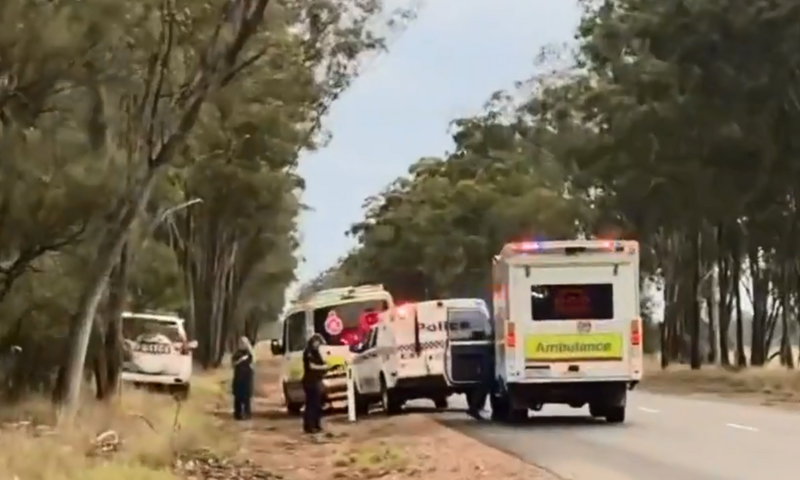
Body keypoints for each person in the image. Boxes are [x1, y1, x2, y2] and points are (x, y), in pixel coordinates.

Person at [302, 333, 329, 434]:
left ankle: (316, 425)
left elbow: (322, 363)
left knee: (317, 404)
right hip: (309, 381)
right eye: (317, 342)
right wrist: (323, 367)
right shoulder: (308, 352)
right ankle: (309, 426)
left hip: (316, 381)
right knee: (311, 404)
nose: (318, 344)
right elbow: (311, 366)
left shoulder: (317, 352)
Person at [231, 336, 255, 420]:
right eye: (240, 343)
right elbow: (233, 363)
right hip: (238, 377)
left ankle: (247, 413)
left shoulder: (250, 353)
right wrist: (240, 360)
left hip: (247, 377)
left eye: (243, 343)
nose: (241, 344)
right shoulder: (237, 354)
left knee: (246, 397)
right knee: (238, 397)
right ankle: (238, 413)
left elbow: (252, 364)